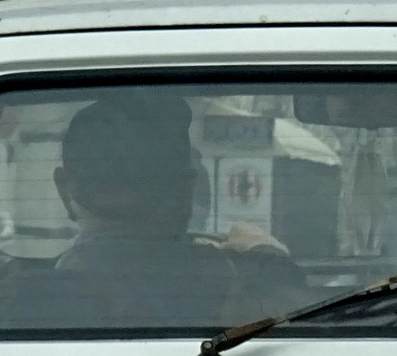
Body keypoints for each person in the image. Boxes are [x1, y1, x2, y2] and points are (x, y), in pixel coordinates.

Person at [50, 95, 298, 322]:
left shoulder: (24, 300)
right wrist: (269, 261)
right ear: (186, 190)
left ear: (64, 190)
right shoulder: (236, 281)